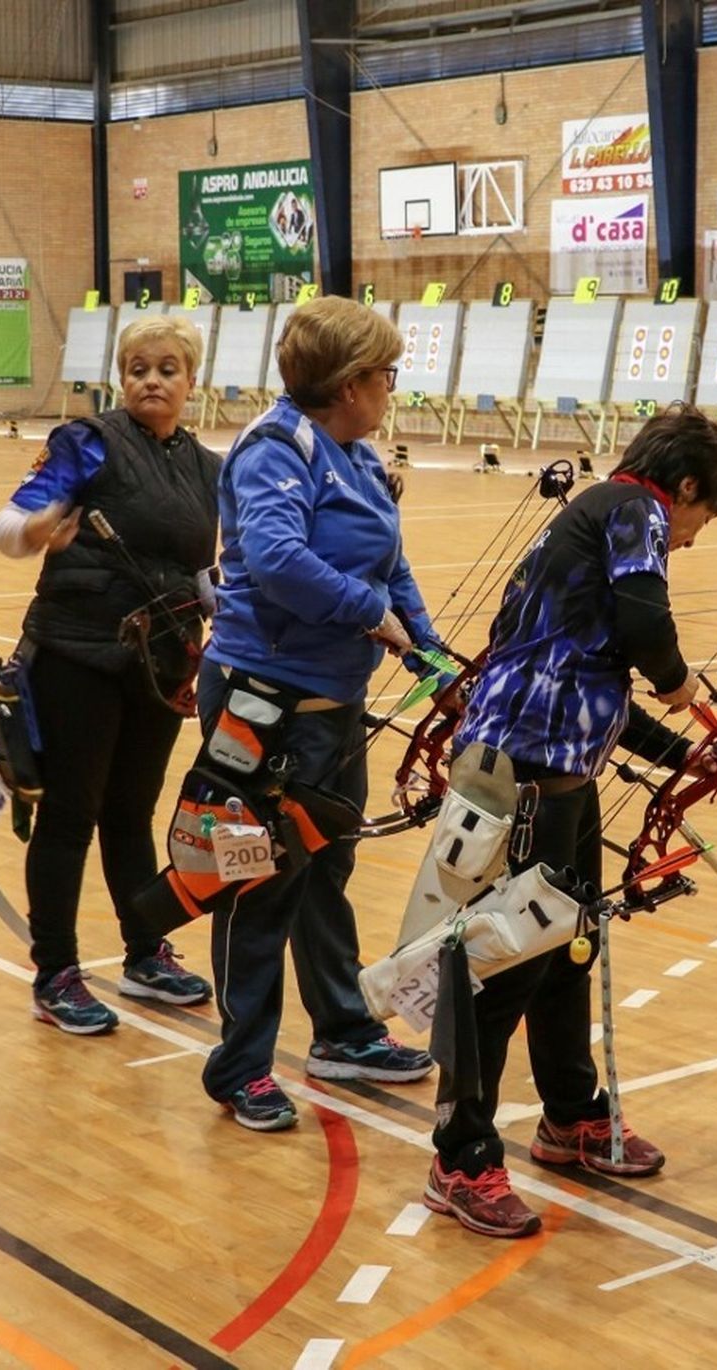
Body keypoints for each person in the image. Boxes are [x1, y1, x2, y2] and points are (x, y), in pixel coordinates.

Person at [420, 405, 717, 1238]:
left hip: (555, 774)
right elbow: (644, 625)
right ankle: (460, 1158)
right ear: (686, 488)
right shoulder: (635, 507)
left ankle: (569, 1115)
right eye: (702, 520)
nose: (691, 541)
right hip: (522, 779)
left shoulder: (593, 518)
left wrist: (687, 753)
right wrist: (677, 680)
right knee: (503, 966)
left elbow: (588, 673)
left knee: (569, 950)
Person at [199, 295, 443, 1132]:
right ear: (349, 384)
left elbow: (391, 567)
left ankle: (341, 1032)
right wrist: (368, 615)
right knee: (257, 883)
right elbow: (275, 560)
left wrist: (430, 651)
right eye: (386, 376)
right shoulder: (277, 449)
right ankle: (241, 1067)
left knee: (325, 869)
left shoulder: (358, 457)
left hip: (333, 704)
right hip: (262, 702)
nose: (390, 390)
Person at [0, 313, 220, 1034]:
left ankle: (144, 953)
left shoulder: (208, 467)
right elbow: (9, 525)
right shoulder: (87, 441)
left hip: (161, 664)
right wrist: (35, 530)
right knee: (69, 815)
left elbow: (201, 571)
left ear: (191, 380)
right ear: (121, 378)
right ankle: (55, 972)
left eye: (167, 370)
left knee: (131, 812)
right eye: (137, 369)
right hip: (76, 654)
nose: (152, 381)